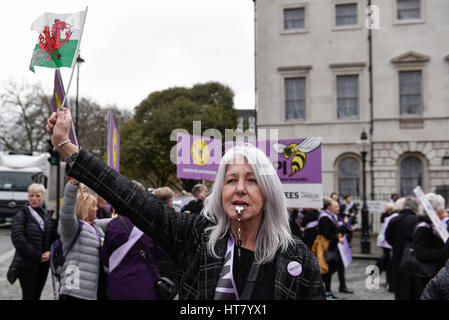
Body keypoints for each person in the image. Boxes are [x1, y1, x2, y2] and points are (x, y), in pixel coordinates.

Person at [46, 108, 326, 300]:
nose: (240, 188)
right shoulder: (196, 237)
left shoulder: (298, 257)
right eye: (231, 180)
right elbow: (132, 199)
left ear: (268, 194)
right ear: (220, 192)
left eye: (251, 180)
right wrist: (66, 147)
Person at [102, 181, 175, 300]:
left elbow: (105, 258)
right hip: (145, 286)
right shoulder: (151, 223)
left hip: (119, 286)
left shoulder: (113, 225)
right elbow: (163, 254)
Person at [57, 179, 110, 300]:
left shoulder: (95, 226)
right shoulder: (73, 228)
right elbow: (66, 212)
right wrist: (72, 187)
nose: (97, 209)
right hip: (75, 290)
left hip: (94, 287)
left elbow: (115, 223)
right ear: (85, 208)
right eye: (94, 206)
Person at [10, 183, 56, 300]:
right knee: (29, 296)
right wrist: (36, 255)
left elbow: (52, 237)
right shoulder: (21, 215)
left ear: (42, 197)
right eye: (31, 196)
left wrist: (49, 252)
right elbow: (18, 238)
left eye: (37, 196)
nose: (34, 199)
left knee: (37, 295)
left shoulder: (46, 215)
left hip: (42, 265)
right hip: (26, 264)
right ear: (28, 197)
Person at [409, 193, 449, 299]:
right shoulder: (424, 227)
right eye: (442, 209)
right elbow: (421, 253)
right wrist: (444, 252)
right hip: (427, 275)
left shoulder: (436, 225)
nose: (444, 212)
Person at [315, 197, 352, 300]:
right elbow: (325, 232)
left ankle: (327, 290)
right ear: (329, 206)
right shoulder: (324, 217)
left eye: (338, 206)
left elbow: (338, 229)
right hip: (327, 247)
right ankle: (326, 292)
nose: (338, 208)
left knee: (334, 267)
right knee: (328, 269)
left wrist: (345, 224)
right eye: (336, 206)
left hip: (333, 247)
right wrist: (337, 238)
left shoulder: (333, 216)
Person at [385, 196, 420, 300]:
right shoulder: (417, 219)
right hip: (414, 258)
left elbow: (388, 237)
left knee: (400, 287)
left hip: (398, 256)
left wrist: (396, 246)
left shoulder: (394, 219)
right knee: (414, 286)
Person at [376, 202, 396, 292]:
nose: (385, 208)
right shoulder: (387, 216)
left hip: (386, 243)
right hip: (386, 243)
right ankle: (389, 281)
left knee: (387, 262)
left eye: (387, 207)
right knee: (388, 263)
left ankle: (389, 281)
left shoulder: (391, 217)